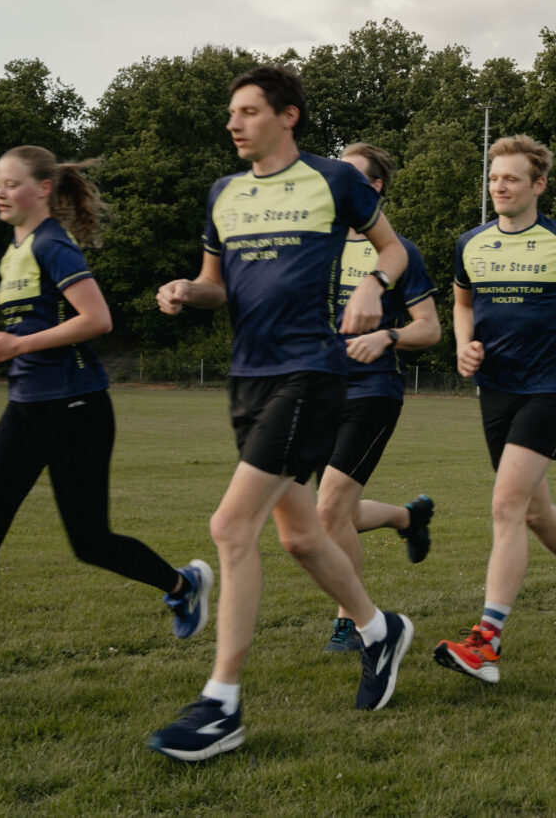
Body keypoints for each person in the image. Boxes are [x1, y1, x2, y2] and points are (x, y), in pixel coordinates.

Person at [148, 65, 414, 762]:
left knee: (230, 525)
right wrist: (186, 290)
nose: (233, 123)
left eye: (248, 111)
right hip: (247, 379)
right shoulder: (224, 193)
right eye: (231, 113)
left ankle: (222, 704)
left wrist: (372, 283)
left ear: (287, 115)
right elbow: (215, 285)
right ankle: (379, 629)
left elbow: (393, 248)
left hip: (310, 373)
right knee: (299, 537)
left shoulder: (334, 179)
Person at [0, 147, 212, 716]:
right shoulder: (14, 251)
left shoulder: (51, 244)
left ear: (42, 189)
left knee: (90, 542)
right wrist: (0, 352)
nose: (0, 192)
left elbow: (97, 319)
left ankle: (183, 587)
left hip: (76, 409)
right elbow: (35, 328)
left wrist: (20, 345)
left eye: (11, 183)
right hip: (26, 408)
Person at [432, 135, 556, 684]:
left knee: (506, 506)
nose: (499, 186)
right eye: (493, 178)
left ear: (538, 184)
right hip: (495, 389)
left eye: (510, 178)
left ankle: (486, 642)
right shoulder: (470, 243)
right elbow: (462, 303)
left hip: (547, 386)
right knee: (534, 511)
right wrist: (462, 344)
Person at [313, 144, 440, 654]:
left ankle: (352, 622)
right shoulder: (314, 244)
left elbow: (429, 328)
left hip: (372, 391)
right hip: (315, 392)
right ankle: (407, 518)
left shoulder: (399, 252)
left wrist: (387, 336)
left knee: (328, 510)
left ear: (374, 187)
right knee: (326, 514)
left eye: (346, 173)